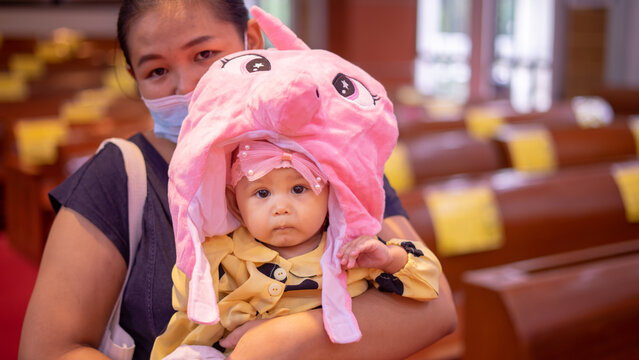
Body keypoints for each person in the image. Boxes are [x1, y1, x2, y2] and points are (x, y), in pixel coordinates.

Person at [18, 1, 456, 359]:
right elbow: (48, 349)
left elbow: (435, 308)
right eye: (156, 71)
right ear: (134, 77)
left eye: (205, 55)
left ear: (251, 41)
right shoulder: (118, 176)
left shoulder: (329, 156)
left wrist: (283, 341)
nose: (188, 85)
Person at [152, 140, 442, 359]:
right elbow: (190, 311)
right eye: (262, 193)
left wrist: (390, 258)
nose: (281, 208)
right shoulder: (223, 253)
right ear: (235, 202)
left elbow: (428, 284)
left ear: (330, 194)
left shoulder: (351, 249)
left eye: (299, 189)